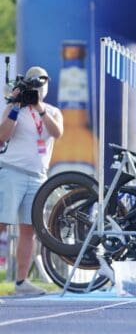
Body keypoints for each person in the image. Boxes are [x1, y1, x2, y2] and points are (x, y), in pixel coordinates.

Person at [0, 66, 63, 296]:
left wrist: (40, 109)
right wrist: (16, 105)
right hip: (12, 171)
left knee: (29, 229)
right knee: (2, 224)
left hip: (38, 176)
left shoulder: (53, 111)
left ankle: (21, 282)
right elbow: (1, 136)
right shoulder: (14, 107)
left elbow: (57, 133)